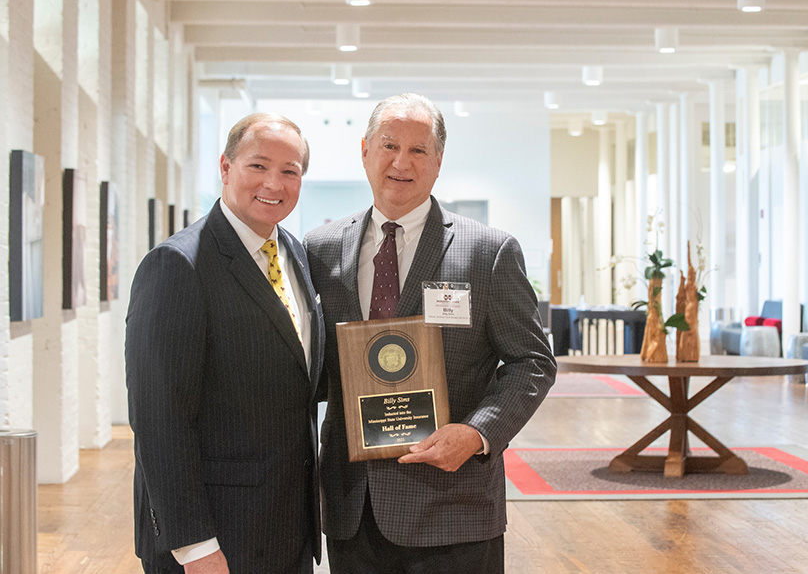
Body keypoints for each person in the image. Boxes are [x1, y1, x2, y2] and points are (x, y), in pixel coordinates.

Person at [304, 93, 556, 573]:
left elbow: (533, 362)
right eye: (389, 145)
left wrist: (478, 433)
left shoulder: (488, 252)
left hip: (453, 506)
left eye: (419, 150)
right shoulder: (319, 249)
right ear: (364, 151)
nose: (402, 162)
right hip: (353, 506)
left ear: (438, 161)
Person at [126, 113, 324, 574]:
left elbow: (297, 377)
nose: (274, 183)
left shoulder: (293, 253)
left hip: (286, 526)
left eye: (290, 171)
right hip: (213, 537)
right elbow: (159, 420)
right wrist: (195, 546)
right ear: (226, 167)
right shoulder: (177, 265)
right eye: (258, 165)